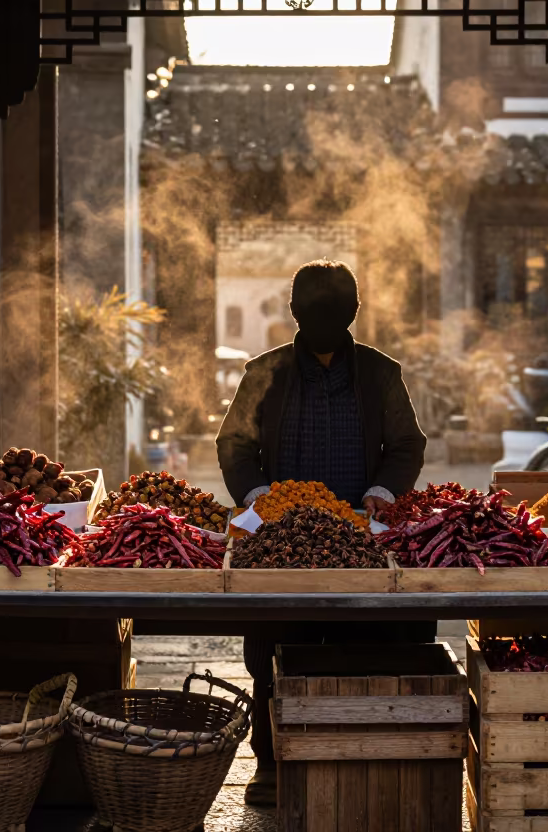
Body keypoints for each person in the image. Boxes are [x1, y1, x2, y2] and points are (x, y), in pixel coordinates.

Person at [216, 259, 435, 806]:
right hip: (279, 537)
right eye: (313, 315)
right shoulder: (263, 372)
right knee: (271, 649)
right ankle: (270, 763)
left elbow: (407, 445)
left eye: (334, 316)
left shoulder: (382, 375)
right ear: (293, 313)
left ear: (353, 315)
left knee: (359, 643)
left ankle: (352, 753)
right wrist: (255, 497)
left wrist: (382, 493)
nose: (323, 326)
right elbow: (235, 445)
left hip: (359, 536)